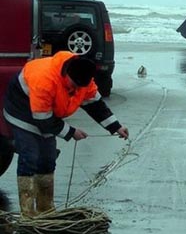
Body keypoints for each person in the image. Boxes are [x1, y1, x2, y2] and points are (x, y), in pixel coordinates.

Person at [2, 51, 129, 217]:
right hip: (21, 111)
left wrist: (116, 127)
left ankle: (45, 208)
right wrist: (71, 132)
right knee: (30, 155)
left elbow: (96, 106)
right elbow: (43, 121)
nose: (74, 89)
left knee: (48, 158)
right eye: (72, 85)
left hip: (47, 114)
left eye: (78, 87)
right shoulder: (45, 80)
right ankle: (28, 213)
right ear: (66, 74)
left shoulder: (84, 82)